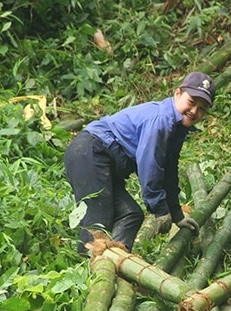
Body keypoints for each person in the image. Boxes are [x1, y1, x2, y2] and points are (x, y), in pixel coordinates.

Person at [64, 71, 216, 255]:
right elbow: (150, 166)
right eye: (191, 102)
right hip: (90, 152)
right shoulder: (162, 121)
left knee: (131, 215)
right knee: (98, 221)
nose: (194, 111)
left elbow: (168, 171)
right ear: (177, 94)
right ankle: (88, 269)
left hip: (103, 160)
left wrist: (176, 214)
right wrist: (160, 209)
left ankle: (118, 267)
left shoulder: (177, 128)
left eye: (202, 109)